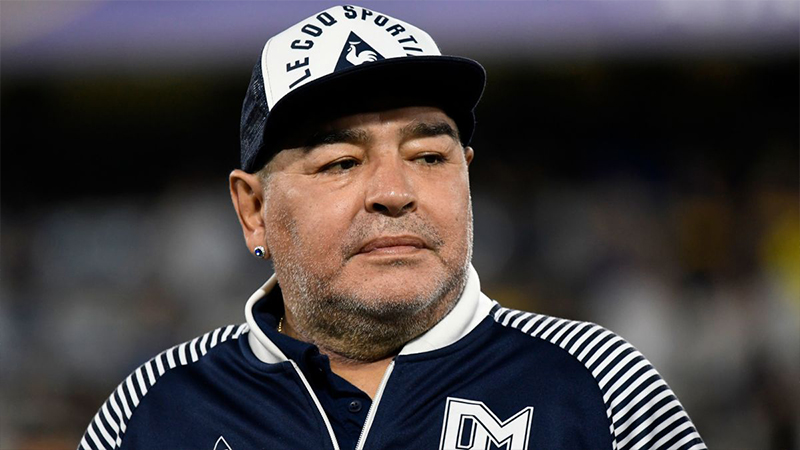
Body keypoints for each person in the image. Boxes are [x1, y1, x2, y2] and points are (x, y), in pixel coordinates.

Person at [78, 5, 705, 450]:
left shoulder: (602, 385)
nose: (394, 193)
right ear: (253, 210)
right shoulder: (153, 410)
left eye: (428, 156)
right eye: (341, 163)